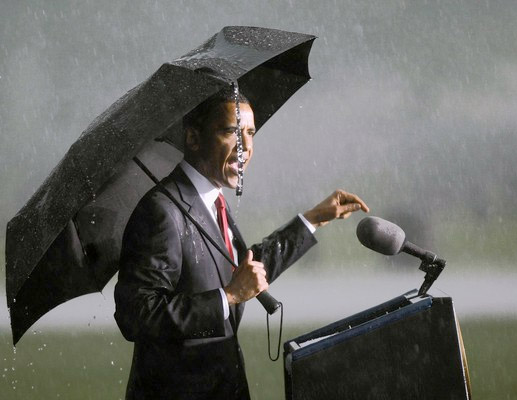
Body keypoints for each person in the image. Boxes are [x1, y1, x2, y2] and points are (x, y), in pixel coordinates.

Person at [114, 89, 369, 400]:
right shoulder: (162, 210)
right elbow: (137, 315)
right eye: (231, 131)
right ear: (194, 138)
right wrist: (229, 295)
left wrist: (313, 219)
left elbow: (245, 270)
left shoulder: (213, 200)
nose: (246, 147)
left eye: (250, 132)